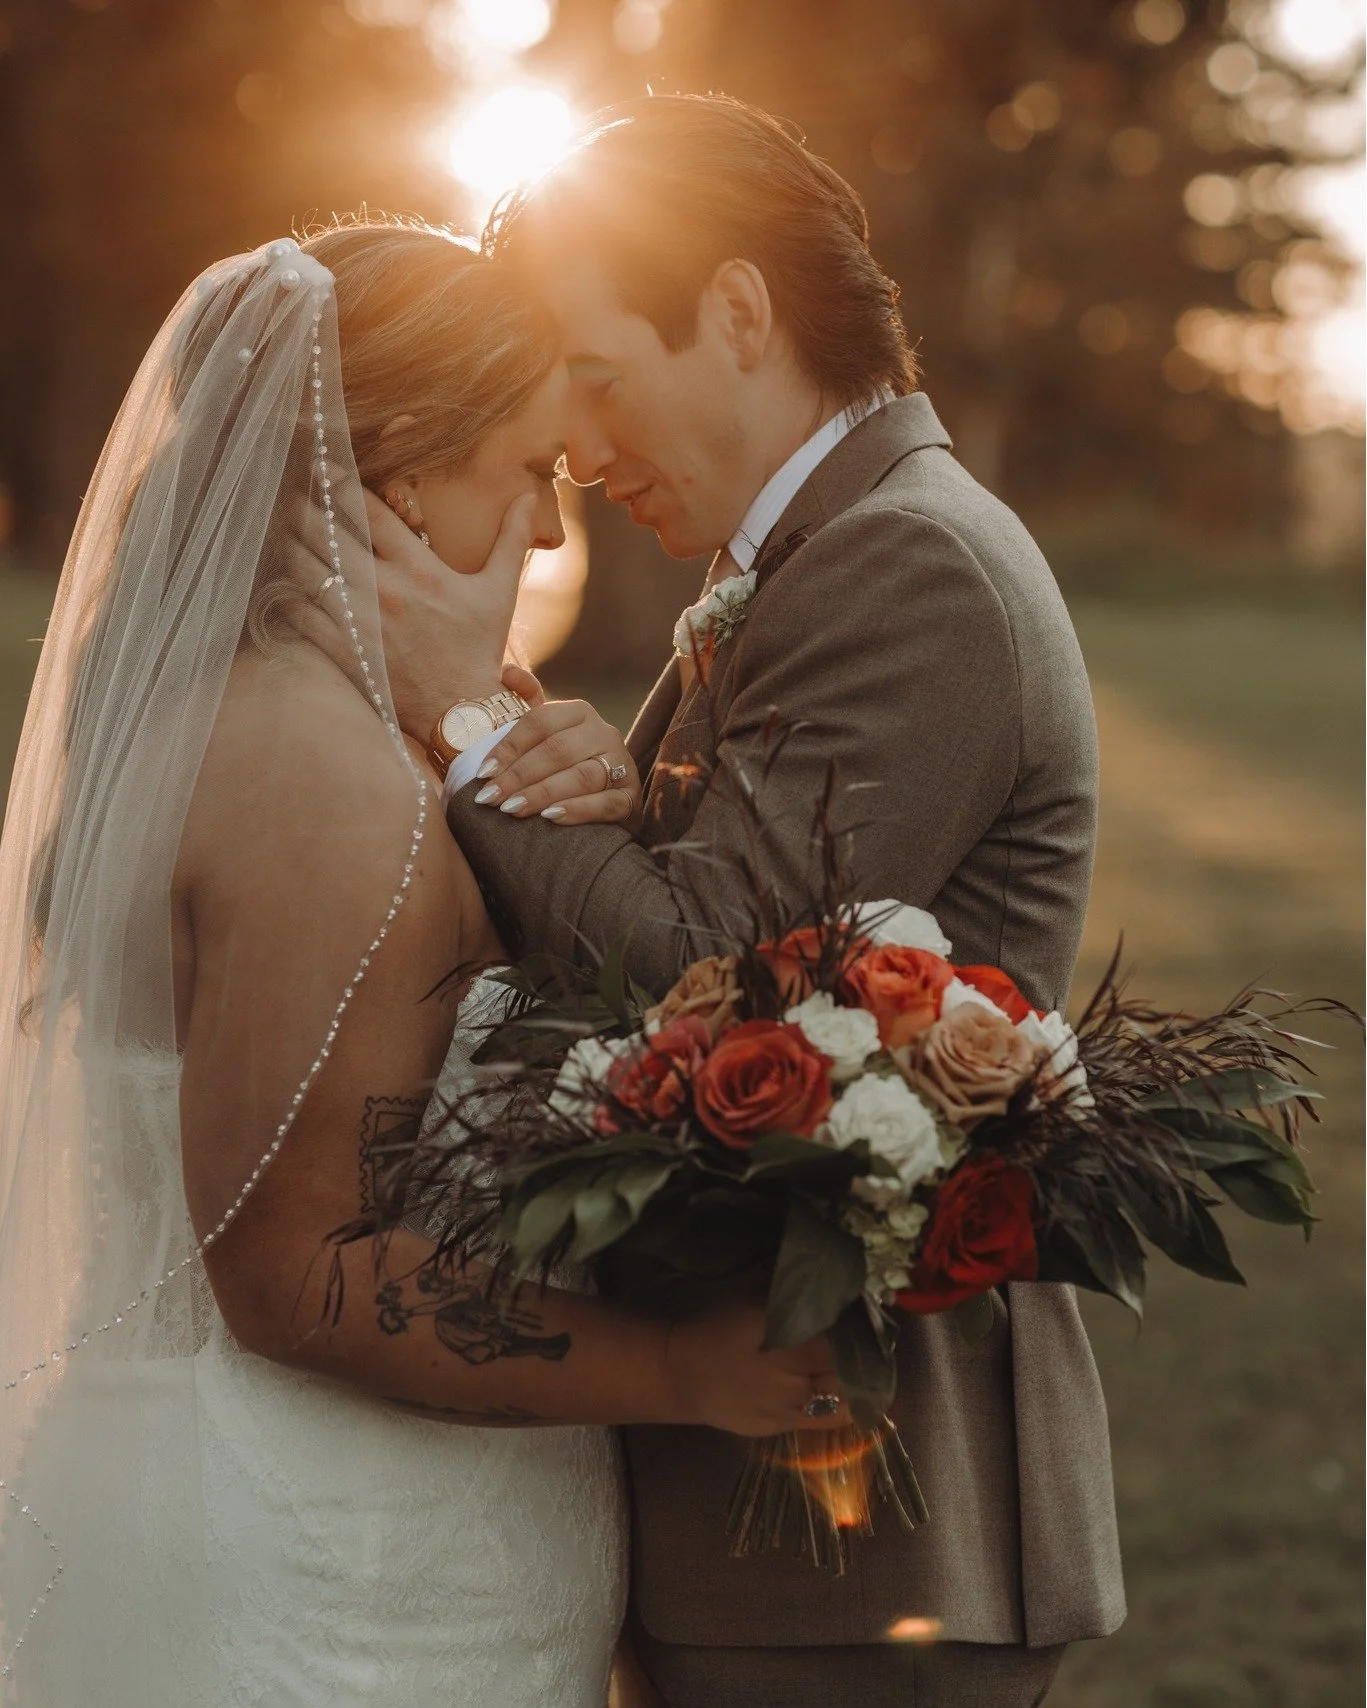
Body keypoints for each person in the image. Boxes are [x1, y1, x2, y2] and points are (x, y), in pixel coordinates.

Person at [0, 219, 851, 1706]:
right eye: (524, 466)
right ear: (394, 469)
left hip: (309, 1514)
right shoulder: (313, 780)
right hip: (327, 1574)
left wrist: (508, 741)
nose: (541, 527)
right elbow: (294, 1275)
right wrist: (685, 1373)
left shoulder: (290, 724)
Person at [373, 95, 1128, 1708]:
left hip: (868, 1504)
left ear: (732, 309)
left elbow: (690, 967)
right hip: (787, 1481)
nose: (571, 444)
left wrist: (472, 726)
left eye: (592, 373)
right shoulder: (818, 559)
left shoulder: (907, 568)